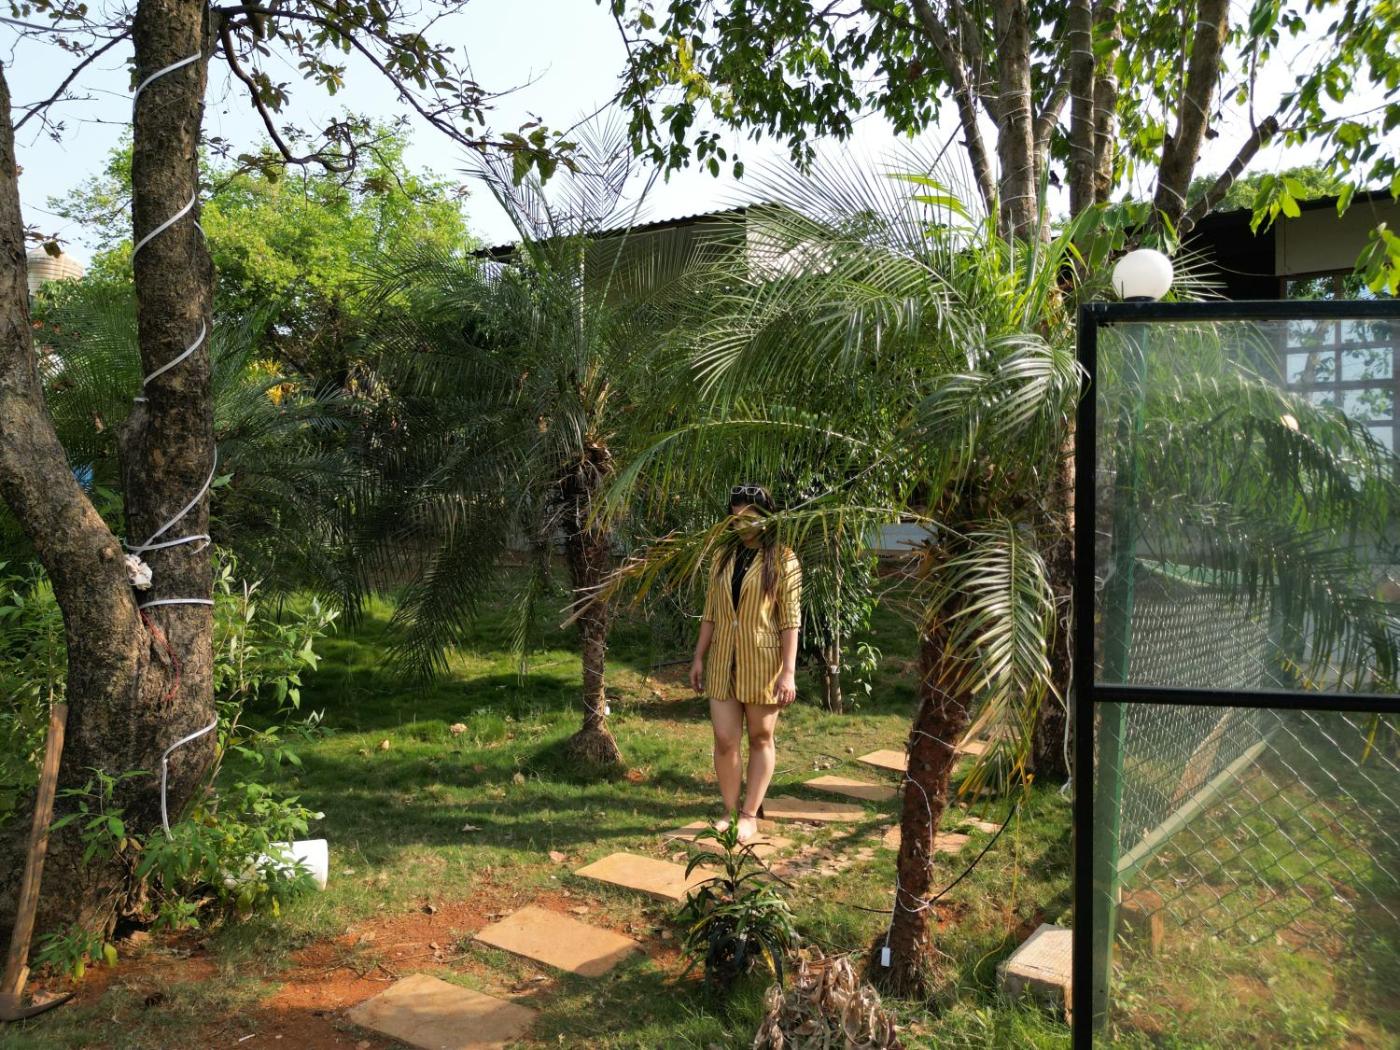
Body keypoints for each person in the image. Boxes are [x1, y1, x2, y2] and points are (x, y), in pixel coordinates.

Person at [689, 483, 802, 844]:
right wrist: (698, 657)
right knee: (725, 739)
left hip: (763, 661)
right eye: (736, 516)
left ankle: (750, 814)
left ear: (766, 517)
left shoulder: (783, 559)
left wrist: (788, 672)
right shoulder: (722, 557)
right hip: (723, 658)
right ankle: (729, 810)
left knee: (760, 736)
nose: (742, 523)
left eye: (750, 516)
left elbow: (790, 620)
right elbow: (710, 612)